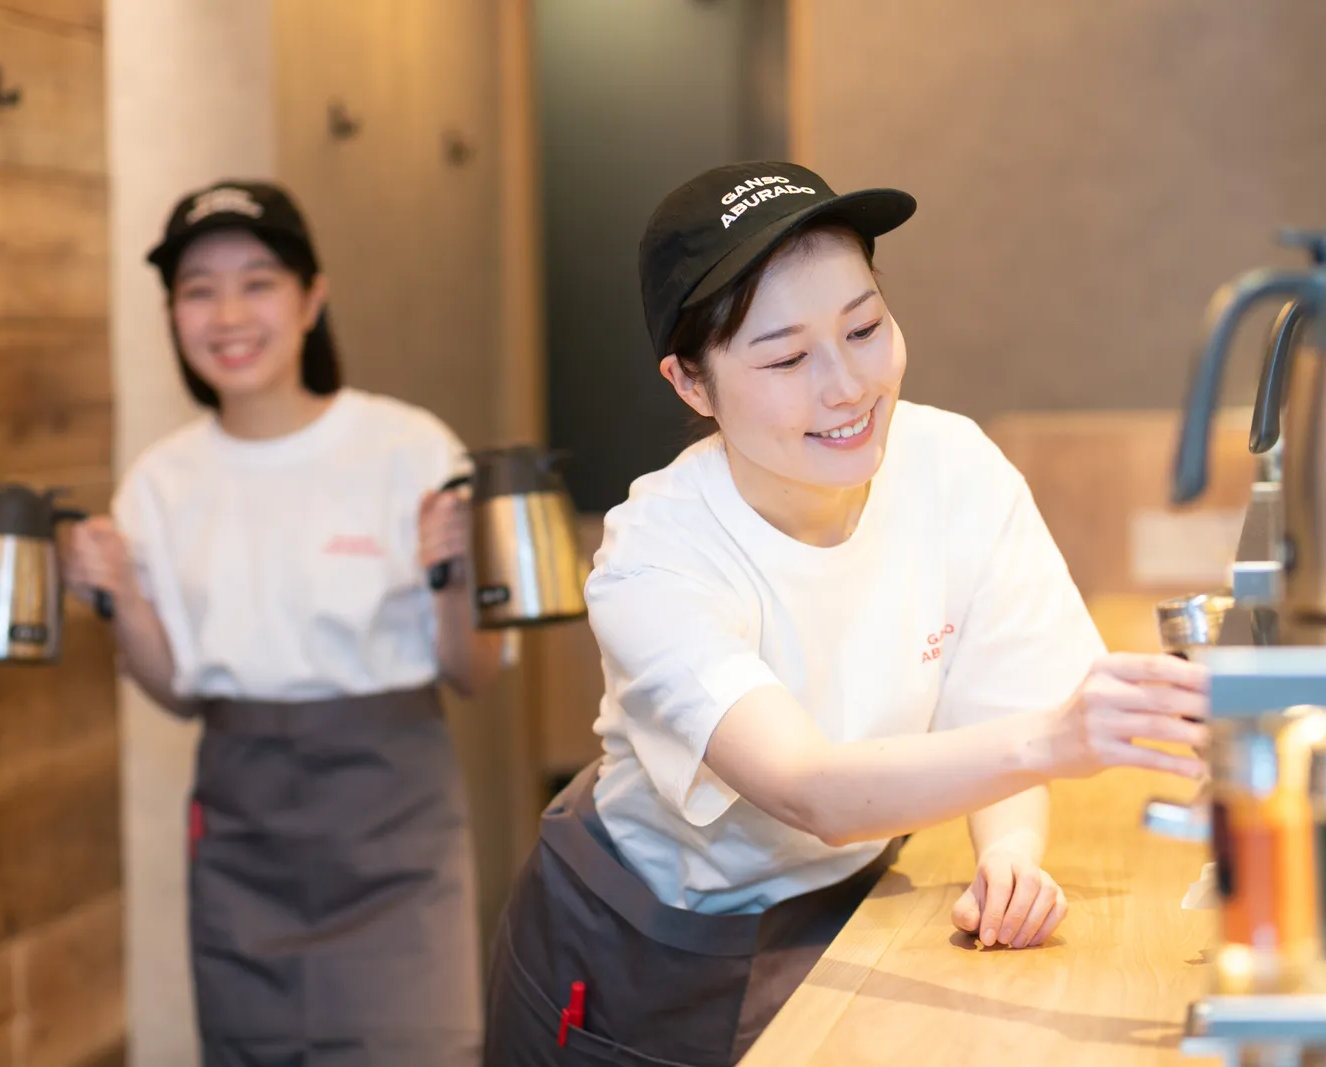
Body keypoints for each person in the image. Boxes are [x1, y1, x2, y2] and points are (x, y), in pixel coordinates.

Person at [481, 161, 1210, 1066]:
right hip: (647, 943)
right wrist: (1057, 741)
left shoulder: (955, 466)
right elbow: (812, 789)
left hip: (851, 902)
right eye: (786, 358)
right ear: (691, 384)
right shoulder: (655, 556)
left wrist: (1012, 853)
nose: (847, 386)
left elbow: (1002, 704)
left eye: (864, 327)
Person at [60, 180, 507, 1066]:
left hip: (395, 817)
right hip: (239, 822)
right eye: (197, 289)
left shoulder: (410, 447)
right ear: (173, 314)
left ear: (312, 297)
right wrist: (122, 597)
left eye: (257, 282)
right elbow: (177, 690)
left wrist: (451, 574)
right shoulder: (160, 480)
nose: (228, 312)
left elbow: (475, 670)